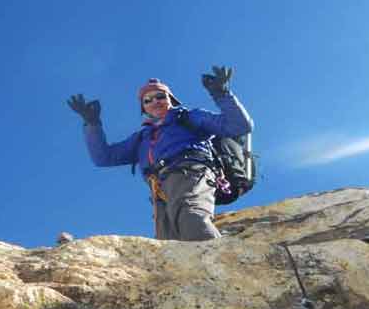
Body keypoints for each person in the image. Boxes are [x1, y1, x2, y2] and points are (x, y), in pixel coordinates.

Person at [67, 66, 253, 241]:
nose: (155, 101)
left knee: (191, 218)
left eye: (160, 96)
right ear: (144, 108)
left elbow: (240, 125)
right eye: (147, 100)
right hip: (160, 189)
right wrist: (92, 124)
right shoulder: (142, 138)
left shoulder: (189, 117)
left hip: (191, 173)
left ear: (170, 99)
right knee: (170, 240)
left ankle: (216, 264)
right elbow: (103, 157)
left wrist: (221, 94)